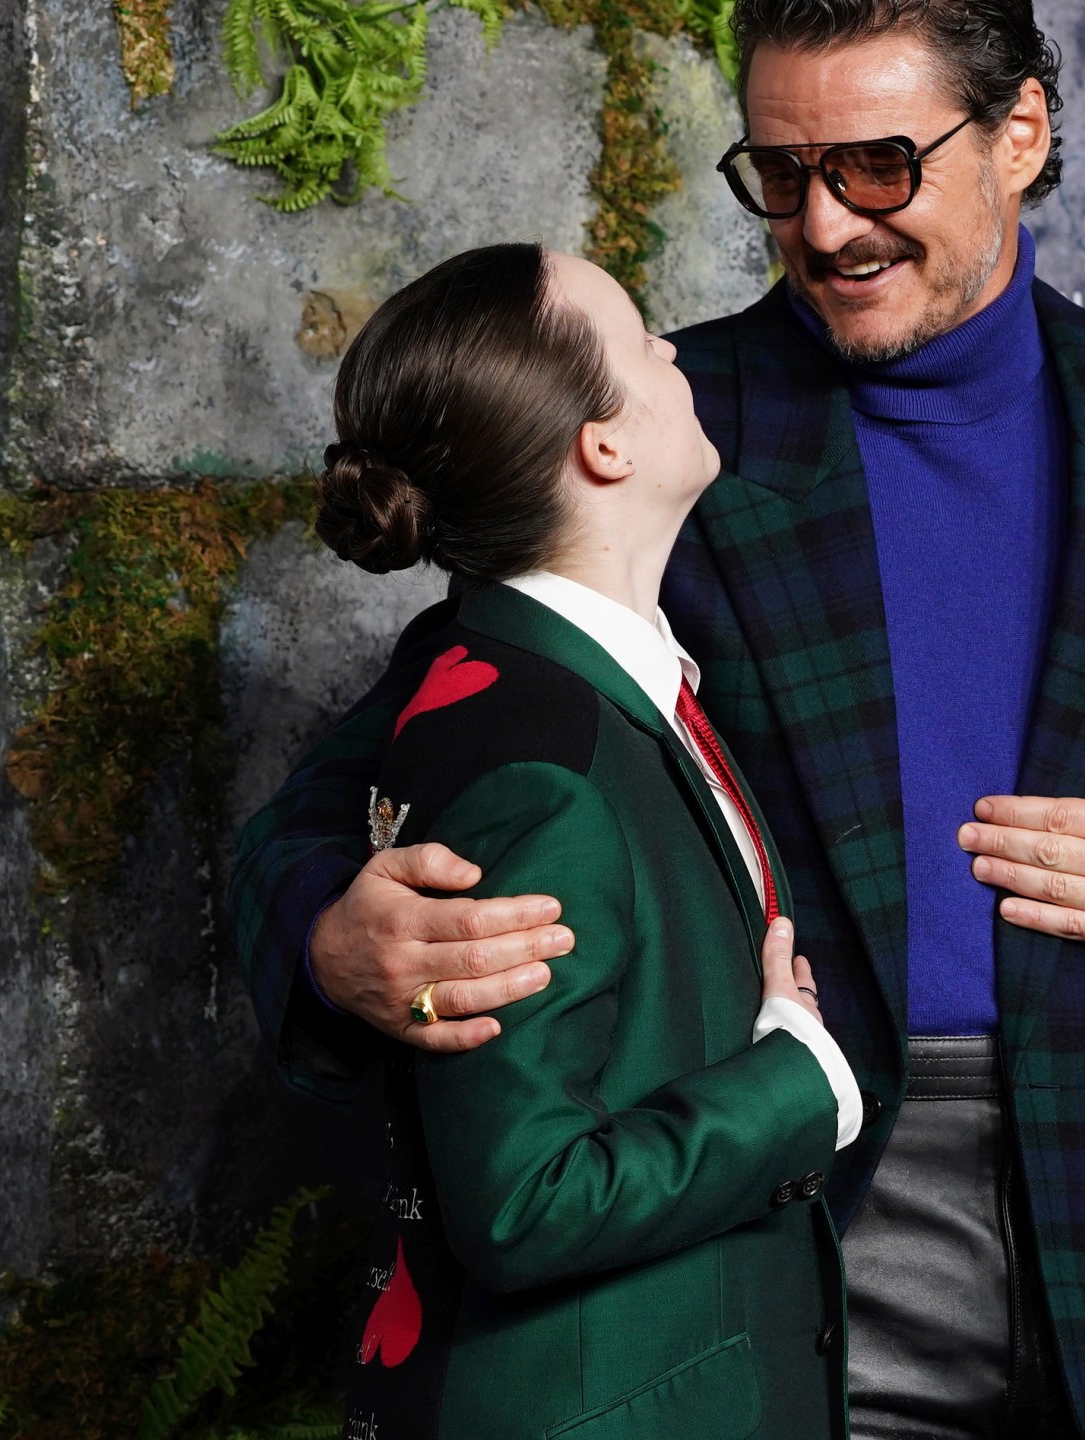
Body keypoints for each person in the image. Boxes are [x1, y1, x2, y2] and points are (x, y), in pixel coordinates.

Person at [230, 0, 1085, 1434]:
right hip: (788, 1216)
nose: (824, 228)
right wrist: (335, 943)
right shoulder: (659, 433)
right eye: (780, 174)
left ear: (1019, 136)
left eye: (878, 166)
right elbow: (325, 809)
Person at [300, 241, 864, 1439]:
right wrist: (795, 1077)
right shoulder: (541, 769)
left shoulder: (568, 684)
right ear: (602, 446)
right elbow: (525, 1205)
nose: (673, 350)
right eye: (639, 333)